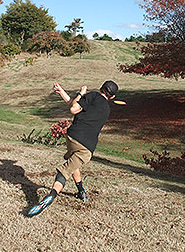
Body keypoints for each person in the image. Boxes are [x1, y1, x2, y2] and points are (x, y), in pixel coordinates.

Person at [28, 80, 118, 217]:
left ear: (100, 88)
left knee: (72, 161)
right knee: (64, 171)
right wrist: (74, 95)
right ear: (112, 97)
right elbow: (75, 107)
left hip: (73, 138)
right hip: (87, 147)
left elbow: (74, 107)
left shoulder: (92, 96)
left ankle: (81, 190)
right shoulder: (106, 109)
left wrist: (76, 93)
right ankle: (52, 195)